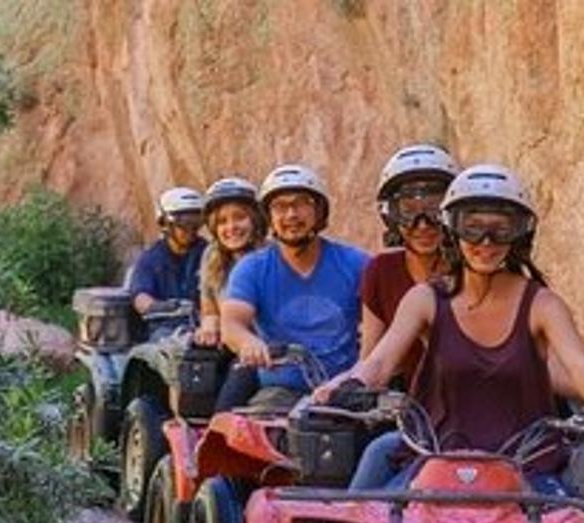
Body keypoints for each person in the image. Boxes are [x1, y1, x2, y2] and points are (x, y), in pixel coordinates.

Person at [317, 164, 584, 495]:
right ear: (452, 231)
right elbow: (380, 361)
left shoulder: (543, 304)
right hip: (434, 461)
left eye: (501, 229)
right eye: (472, 228)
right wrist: (351, 385)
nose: (486, 242)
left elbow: (579, 365)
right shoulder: (425, 300)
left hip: (527, 465)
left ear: (520, 234)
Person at [217, 164, 371, 411]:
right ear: (269, 217)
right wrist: (248, 343)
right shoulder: (252, 268)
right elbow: (232, 324)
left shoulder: (356, 263)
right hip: (281, 393)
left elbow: (384, 323)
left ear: (319, 211)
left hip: (346, 389)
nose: (290, 215)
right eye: (280, 207)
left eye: (301, 203)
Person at [358, 143, 460, 380]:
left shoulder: (473, 271)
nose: (422, 225)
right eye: (409, 212)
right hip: (408, 404)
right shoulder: (381, 271)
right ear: (390, 216)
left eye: (434, 210)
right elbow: (370, 357)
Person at [195, 176, 264, 349]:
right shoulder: (211, 256)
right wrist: (210, 323)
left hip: (266, 347)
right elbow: (209, 309)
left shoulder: (272, 256)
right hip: (230, 346)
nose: (231, 227)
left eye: (239, 217)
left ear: (255, 220)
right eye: (222, 221)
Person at [126, 186, 207, 323]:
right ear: (165, 224)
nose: (191, 229)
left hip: (204, 326)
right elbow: (140, 296)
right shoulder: (151, 259)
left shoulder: (209, 253)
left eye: (196, 222)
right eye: (183, 223)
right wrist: (160, 307)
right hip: (164, 328)